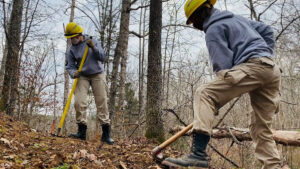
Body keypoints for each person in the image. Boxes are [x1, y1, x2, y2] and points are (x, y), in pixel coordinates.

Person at [164, 0, 282, 168]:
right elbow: (267, 31)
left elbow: (223, 67)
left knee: (205, 94)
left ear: (200, 14)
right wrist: (266, 55)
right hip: (271, 71)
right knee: (260, 127)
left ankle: (198, 155)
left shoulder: (212, 29)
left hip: (253, 67)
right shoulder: (236, 19)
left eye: (193, 21)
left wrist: (213, 101)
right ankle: (273, 166)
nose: (195, 26)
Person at [64, 22, 114, 145]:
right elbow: (69, 66)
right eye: (70, 38)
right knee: (79, 102)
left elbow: (103, 57)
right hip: (82, 75)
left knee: (101, 101)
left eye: (73, 37)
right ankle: (81, 132)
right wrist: (72, 73)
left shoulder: (92, 41)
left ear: (79, 35)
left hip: (97, 74)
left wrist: (93, 47)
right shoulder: (71, 49)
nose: (71, 40)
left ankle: (106, 134)